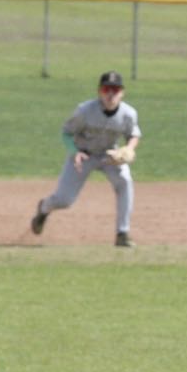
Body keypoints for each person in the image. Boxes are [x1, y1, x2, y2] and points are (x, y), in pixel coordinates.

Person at [31, 71, 141, 247]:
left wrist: (128, 148)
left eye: (115, 89)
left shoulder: (129, 114)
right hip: (83, 155)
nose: (111, 93)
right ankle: (44, 208)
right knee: (64, 200)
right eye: (106, 89)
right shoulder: (85, 110)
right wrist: (74, 151)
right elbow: (67, 133)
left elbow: (133, 135)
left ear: (122, 92)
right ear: (100, 91)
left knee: (125, 182)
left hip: (110, 156)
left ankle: (122, 233)